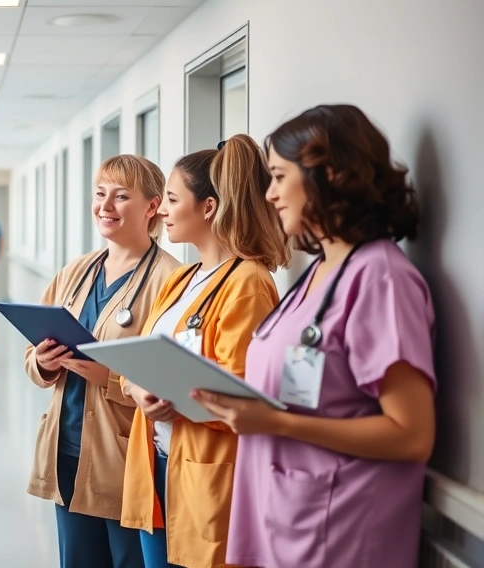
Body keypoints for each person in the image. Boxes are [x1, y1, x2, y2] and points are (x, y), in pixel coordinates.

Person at [192, 105, 437, 568]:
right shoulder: (320, 271)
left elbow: (411, 434)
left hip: (341, 531)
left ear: (331, 174)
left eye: (280, 177)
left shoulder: (381, 277)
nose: (270, 195)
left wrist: (278, 423)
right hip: (283, 517)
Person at [119, 135, 290, 568]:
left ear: (208, 208)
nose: (160, 210)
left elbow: (243, 392)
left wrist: (172, 401)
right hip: (155, 468)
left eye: (172, 199)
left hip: (206, 475)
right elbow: (137, 361)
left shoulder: (248, 282)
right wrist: (138, 390)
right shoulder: (183, 278)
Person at [25, 155, 180, 568]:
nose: (105, 206)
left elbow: (172, 380)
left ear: (152, 207)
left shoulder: (171, 279)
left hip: (126, 460)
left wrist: (109, 378)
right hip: (67, 452)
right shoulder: (76, 271)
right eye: (99, 194)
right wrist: (43, 362)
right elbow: (31, 355)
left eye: (121, 196)